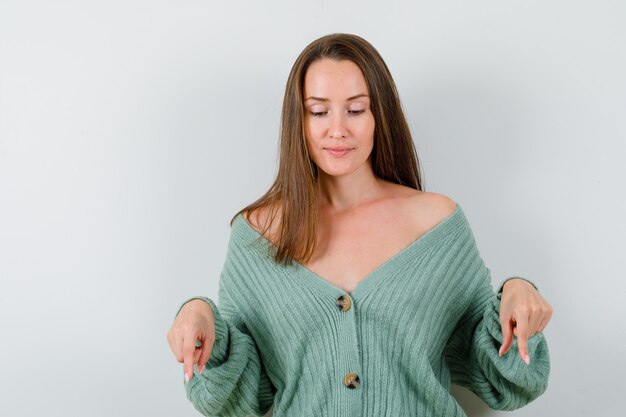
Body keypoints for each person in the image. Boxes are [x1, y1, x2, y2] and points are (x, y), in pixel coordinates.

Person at [166, 33, 553, 416]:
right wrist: (200, 312)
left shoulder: (437, 224)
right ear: (297, 120)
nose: (338, 130)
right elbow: (238, 397)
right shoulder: (256, 235)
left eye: (355, 109)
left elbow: (505, 379)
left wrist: (518, 291)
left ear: (378, 115)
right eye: (319, 111)